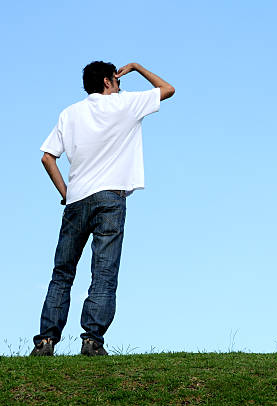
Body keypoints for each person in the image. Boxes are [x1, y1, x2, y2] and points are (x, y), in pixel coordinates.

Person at [30, 61, 175, 356]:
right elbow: (168, 89)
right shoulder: (125, 105)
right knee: (104, 271)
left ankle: (46, 341)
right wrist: (135, 67)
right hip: (110, 197)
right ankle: (92, 340)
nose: (120, 85)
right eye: (117, 80)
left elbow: (47, 158)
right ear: (109, 81)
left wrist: (66, 193)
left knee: (62, 272)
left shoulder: (69, 113)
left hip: (77, 200)